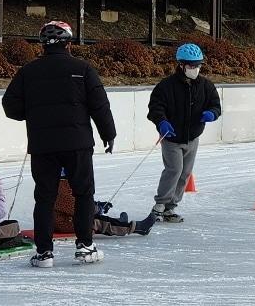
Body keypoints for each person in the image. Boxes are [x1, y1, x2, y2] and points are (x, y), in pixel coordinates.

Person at [2, 20, 116, 268]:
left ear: (42, 44)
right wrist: (109, 133)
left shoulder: (28, 71)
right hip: (78, 143)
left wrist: (33, 113)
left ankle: (44, 253)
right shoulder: (82, 69)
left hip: (43, 145)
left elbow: (10, 106)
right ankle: (85, 245)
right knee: (83, 193)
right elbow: (100, 105)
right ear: (69, 43)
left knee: (45, 197)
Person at [145, 43, 221, 223]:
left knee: (185, 173)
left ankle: (171, 207)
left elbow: (216, 105)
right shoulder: (167, 86)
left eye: (198, 65)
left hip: (192, 137)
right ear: (181, 65)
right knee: (174, 169)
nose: (195, 69)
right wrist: (162, 122)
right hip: (171, 137)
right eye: (191, 66)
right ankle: (160, 204)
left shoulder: (206, 86)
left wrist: (212, 113)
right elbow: (155, 107)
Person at [53, 173, 155, 237]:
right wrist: (98, 208)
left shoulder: (63, 184)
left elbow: (78, 201)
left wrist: (96, 205)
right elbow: (77, 208)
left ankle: (118, 222)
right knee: (97, 221)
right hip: (65, 223)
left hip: (65, 219)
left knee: (90, 216)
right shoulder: (61, 187)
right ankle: (136, 228)